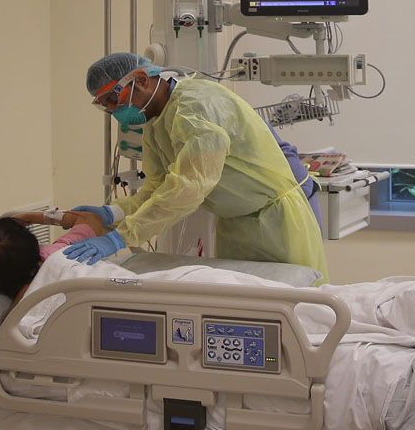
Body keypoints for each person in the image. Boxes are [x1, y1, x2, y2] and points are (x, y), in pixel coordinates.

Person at [64, 52, 328, 282]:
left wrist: (120, 237)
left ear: (142, 80)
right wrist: (112, 213)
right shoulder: (154, 122)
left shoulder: (198, 107)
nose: (112, 110)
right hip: (235, 224)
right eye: (104, 105)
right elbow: (157, 187)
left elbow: (188, 188)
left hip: (279, 220)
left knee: (294, 310)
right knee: (245, 312)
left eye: (113, 99)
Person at [0, 210, 107, 303]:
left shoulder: (24, 301)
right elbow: (90, 219)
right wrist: (30, 217)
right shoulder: (61, 251)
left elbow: (5, 334)